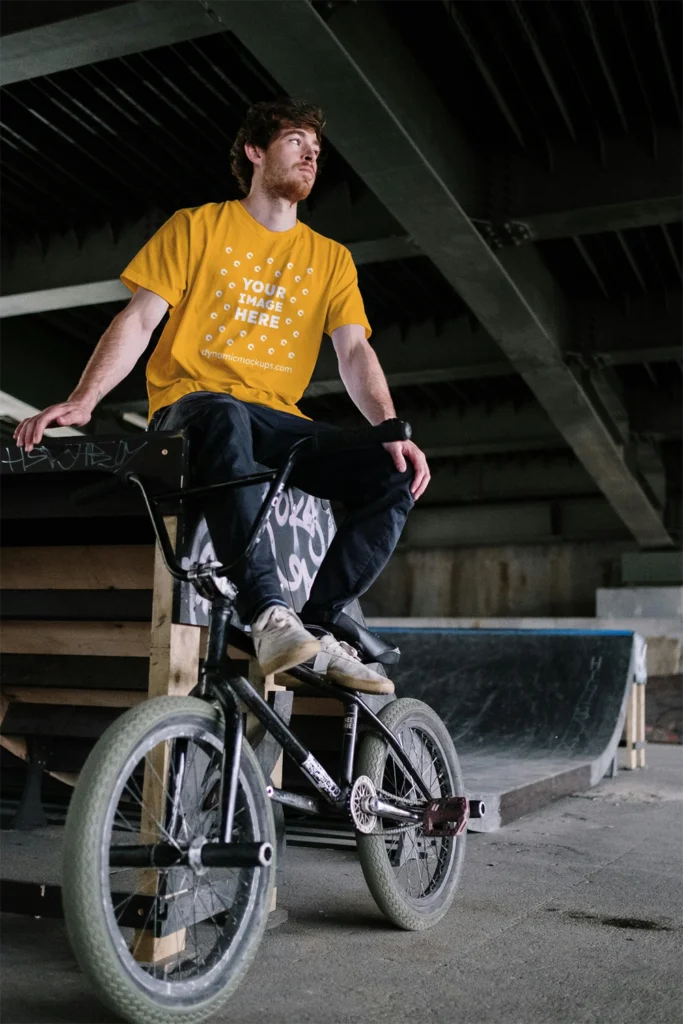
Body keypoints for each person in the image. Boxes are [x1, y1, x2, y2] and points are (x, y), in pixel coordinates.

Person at [14, 99, 430, 694]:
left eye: (316, 148)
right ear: (255, 152)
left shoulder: (330, 259)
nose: (311, 153)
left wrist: (389, 428)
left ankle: (316, 627)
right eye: (295, 141)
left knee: (388, 472)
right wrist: (85, 398)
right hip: (195, 405)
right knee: (225, 412)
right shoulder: (196, 227)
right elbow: (139, 320)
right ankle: (270, 614)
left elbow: (354, 352)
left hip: (279, 419)